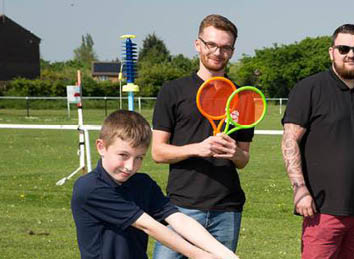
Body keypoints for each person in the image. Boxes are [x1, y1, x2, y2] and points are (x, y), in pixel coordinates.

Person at [281, 24, 354, 259]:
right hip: (322, 212)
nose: (351, 54)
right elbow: (290, 140)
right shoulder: (309, 88)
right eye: (343, 48)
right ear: (332, 51)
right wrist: (299, 189)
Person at [151, 14, 253, 258]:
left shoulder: (243, 96)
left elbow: (244, 159)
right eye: (211, 45)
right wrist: (197, 148)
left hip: (227, 210)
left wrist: (234, 153)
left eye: (225, 47)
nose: (218, 52)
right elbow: (157, 152)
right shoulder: (172, 91)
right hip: (180, 208)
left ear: (232, 50)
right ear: (198, 45)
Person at [71, 110, 238, 259]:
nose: (130, 166)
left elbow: (179, 219)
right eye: (123, 155)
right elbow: (148, 226)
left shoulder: (143, 183)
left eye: (139, 158)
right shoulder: (89, 188)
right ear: (101, 147)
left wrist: (225, 253)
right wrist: (197, 254)